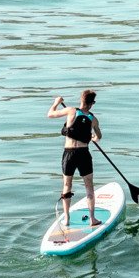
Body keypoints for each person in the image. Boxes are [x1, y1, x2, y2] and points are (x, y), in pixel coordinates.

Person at [47, 89, 101, 228]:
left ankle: (67, 219)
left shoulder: (71, 111)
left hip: (69, 153)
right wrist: (93, 138)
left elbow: (50, 114)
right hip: (84, 154)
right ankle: (92, 219)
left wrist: (56, 103)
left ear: (81, 100)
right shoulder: (93, 119)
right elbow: (99, 136)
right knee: (89, 187)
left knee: (66, 185)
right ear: (92, 103)